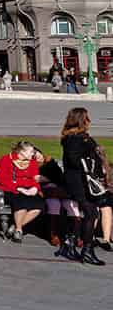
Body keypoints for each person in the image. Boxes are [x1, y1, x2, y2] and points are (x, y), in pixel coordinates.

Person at [59, 107, 105, 264]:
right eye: (87, 118)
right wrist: (91, 158)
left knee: (90, 212)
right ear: (81, 120)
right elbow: (74, 160)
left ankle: (72, 244)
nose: (89, 121)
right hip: (78, 181)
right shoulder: (76, 138)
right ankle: (86, 249)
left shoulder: (77, 137)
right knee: (91, 212)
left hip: (81, 180)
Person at [0, 141, 45, 242]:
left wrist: (35, 188)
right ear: (22, 152)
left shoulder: (32, 162)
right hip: (12, 190)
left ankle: (15, 226)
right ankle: (18, 231)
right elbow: (2, 179)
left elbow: (35, 178)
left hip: (28, 190)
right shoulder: (6, 159)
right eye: (31, 151)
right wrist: (18, 188)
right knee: (21, 203)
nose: (33, 154)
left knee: (39, 205)